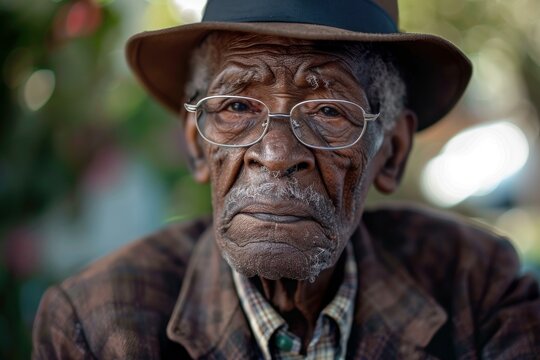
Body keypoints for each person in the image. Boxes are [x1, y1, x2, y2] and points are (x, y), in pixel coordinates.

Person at [33, 0, 540, 358]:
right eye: (236, 106)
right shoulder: (95, 327)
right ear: (196, 143)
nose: (276, 155)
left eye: (326, 110)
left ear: (391, 153)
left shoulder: (478, 289)